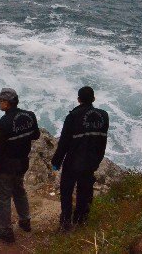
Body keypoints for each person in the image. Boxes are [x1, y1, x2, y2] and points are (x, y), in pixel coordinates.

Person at [51, 86, 109, 231]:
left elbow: (64, 142)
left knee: (66, 191)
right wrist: (97, 160)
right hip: (90, 161)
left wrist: (56, 162)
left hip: (73, 161)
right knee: (85, 190)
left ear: (78, 100)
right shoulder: (103, 116)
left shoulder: (73, 116)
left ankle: (65, 222)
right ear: (93, 99)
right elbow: (103, 141)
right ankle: (81, 219)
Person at [0, 88, 40, 243]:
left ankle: (5, 230)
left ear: (6, 103)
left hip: (5, 166)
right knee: (19, 191)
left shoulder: (2, 123)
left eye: (0, 101)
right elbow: (36, 135)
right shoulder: (29, 115)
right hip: (22, 163)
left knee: (4, 197)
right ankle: (25, 221)